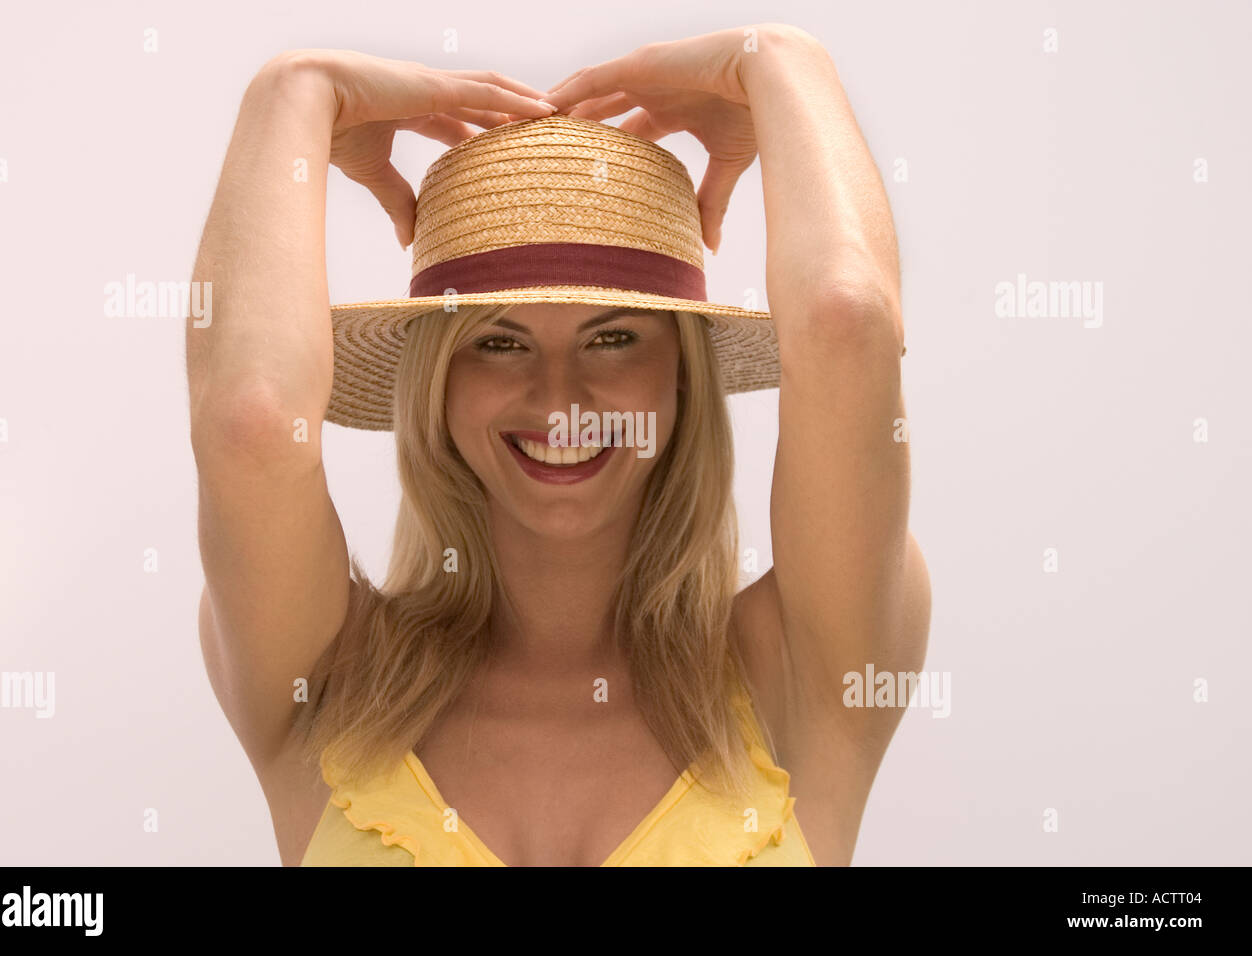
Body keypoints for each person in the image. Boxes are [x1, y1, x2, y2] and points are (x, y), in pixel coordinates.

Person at [186, 22, 931, 867]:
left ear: (682, 376)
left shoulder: (800, 667)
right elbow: (250, 423)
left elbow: (848, 323)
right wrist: (295, 89)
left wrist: (781, 62)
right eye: (499, 343)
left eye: (613, 340)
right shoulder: (330, 672)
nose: (560, 398)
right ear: (438, 383)